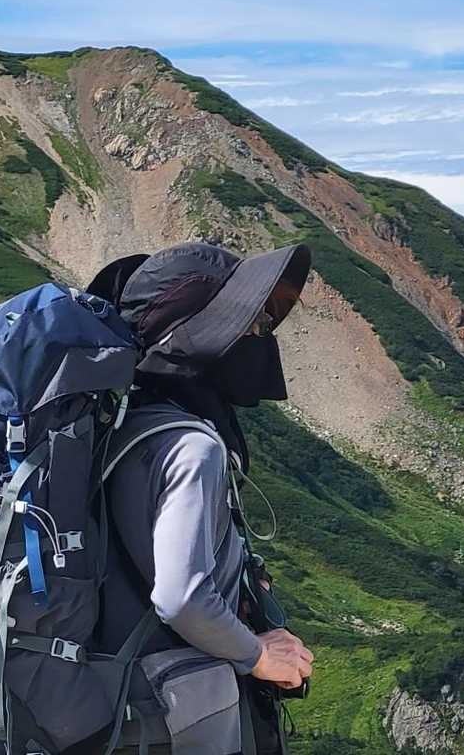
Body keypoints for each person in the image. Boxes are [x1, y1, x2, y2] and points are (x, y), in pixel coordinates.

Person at [80, 241, 317, 755]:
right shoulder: (193, 447)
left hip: (117, 703)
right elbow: (182, 596)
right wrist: (259, 655)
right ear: (205, 337)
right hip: (176, 714)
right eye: (252, 325)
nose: (263, 339)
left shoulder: (121, 423)